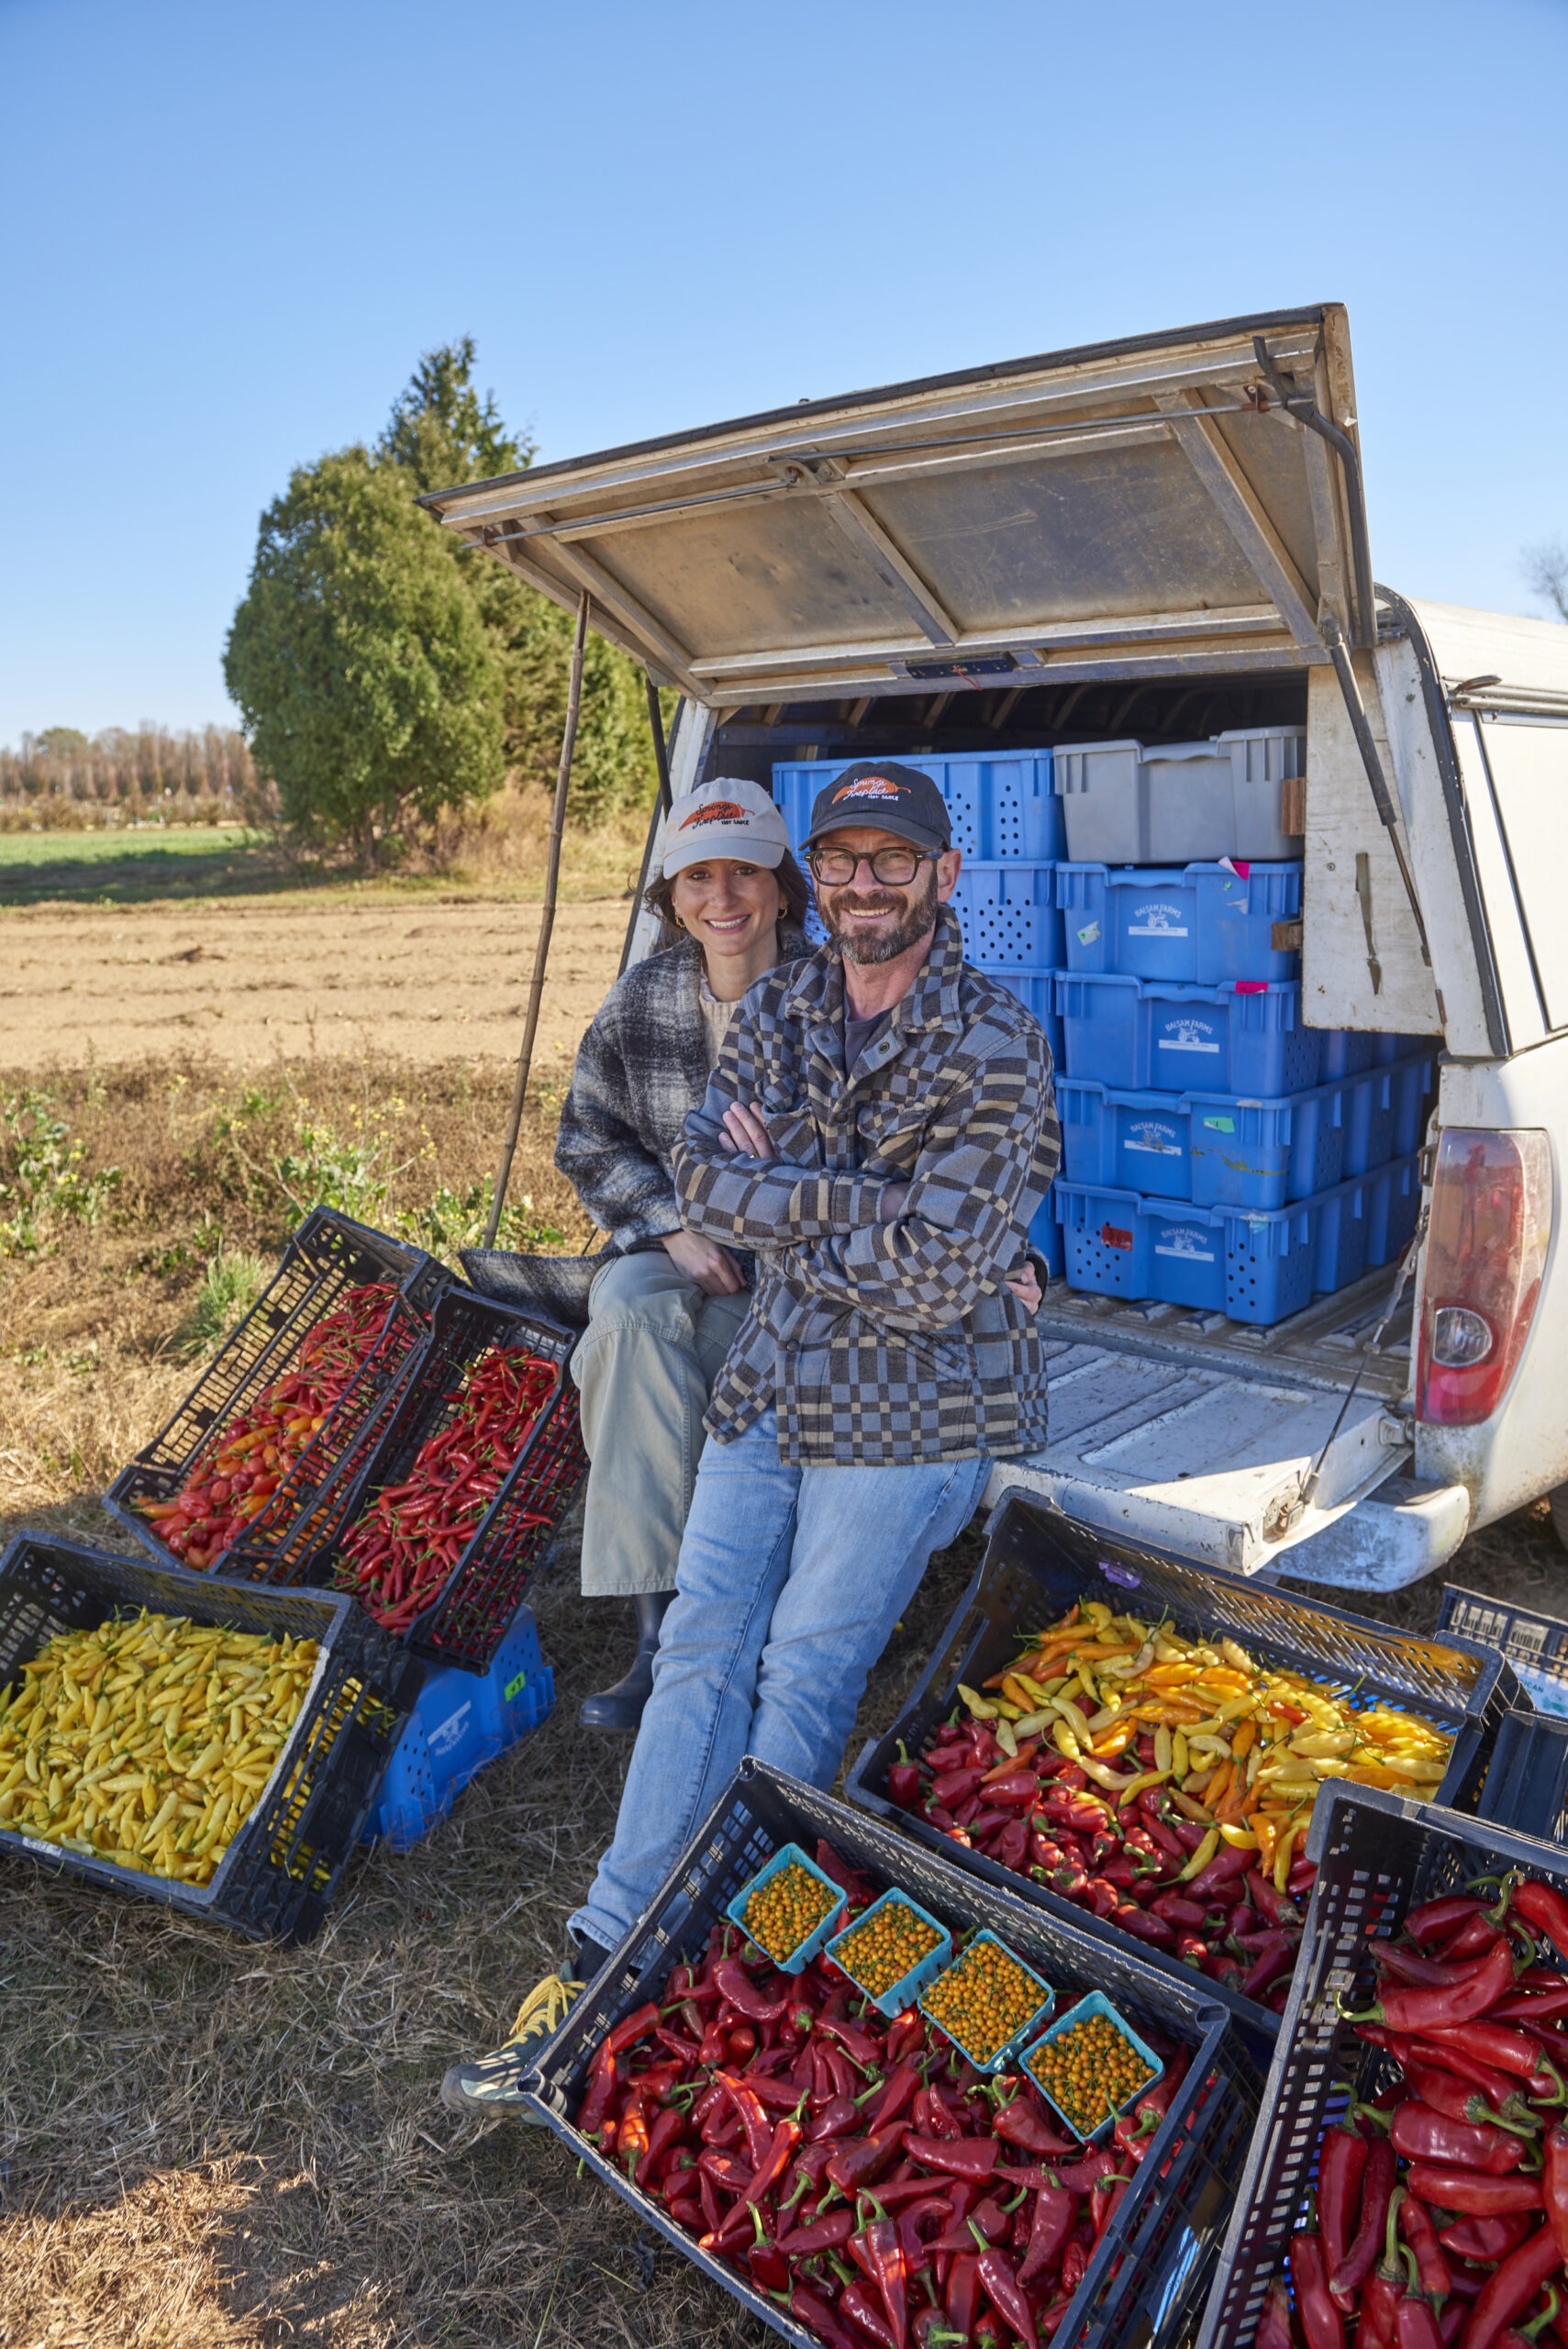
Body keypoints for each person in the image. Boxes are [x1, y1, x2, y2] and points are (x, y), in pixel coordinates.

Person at [440, 759, 1059, 2115]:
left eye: (891, 859)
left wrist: (797, 1198)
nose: (862, 883)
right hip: (774, 1380)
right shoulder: (781, 1003)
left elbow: (934, 1280)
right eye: (841, 859)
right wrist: (869, 1205)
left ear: (944, 874)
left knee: (801, 1674)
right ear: (813, 878)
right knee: (701, 1646)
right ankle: (605, 1950)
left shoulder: (996, 1041)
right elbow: (708, 1185)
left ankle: (740, 1959)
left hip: (916, 1402)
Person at [550, 777, 812, 1728]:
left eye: (744, 872)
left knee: (654, 1364)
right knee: (626, 1317)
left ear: (782, 887)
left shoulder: (835, 997)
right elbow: (586, 1136)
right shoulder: (646, 994)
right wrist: (671, 1225)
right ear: (672, 896)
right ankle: (662, 1636)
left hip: (798, 1269)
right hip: (674, 1241)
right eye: (698, 877)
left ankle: (695, 1624)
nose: (722, 897)